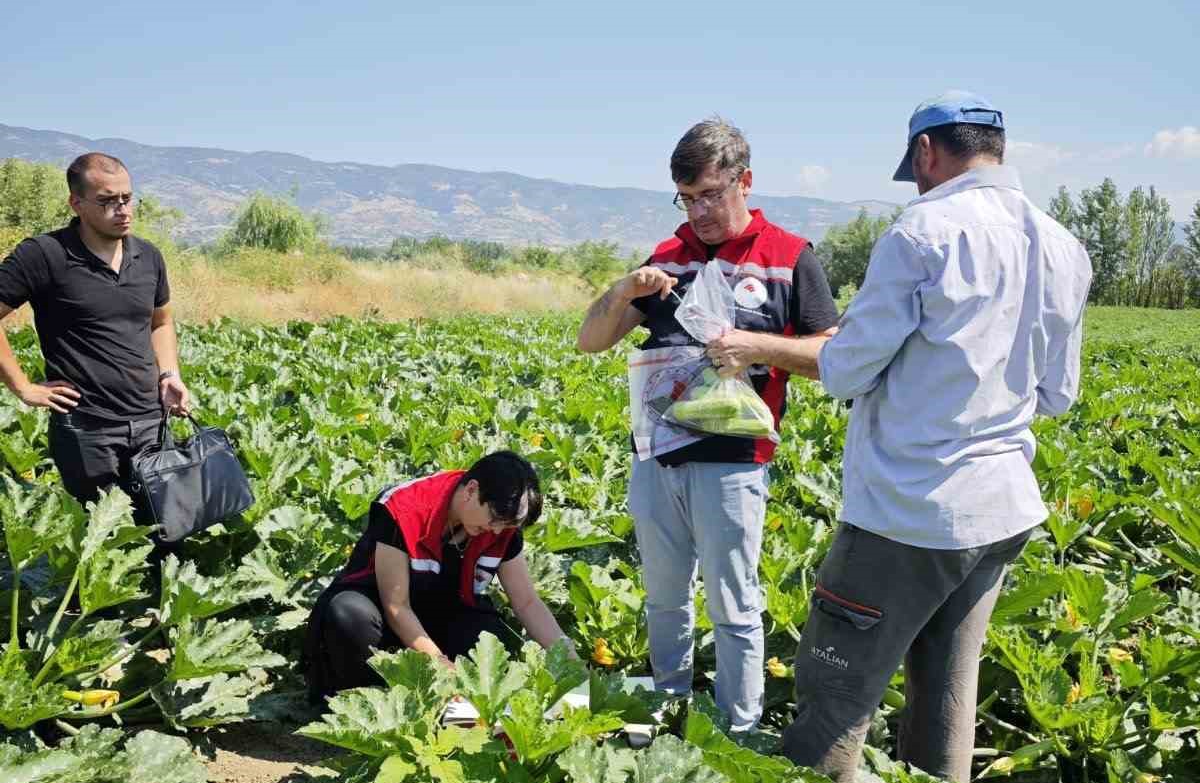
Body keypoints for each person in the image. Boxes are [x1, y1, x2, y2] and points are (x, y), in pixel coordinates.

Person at [775, 91, 1093, 783]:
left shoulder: (923, 232)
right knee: (946, 706)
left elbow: (847, 366)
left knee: (834, 694)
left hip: (908, 512)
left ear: (926, 156)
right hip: (998, 510)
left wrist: (763, 347)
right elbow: (1058, 393)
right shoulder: (1063, 245)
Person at [577, 117, 839, 733]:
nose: (699, 211)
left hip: (735, 461)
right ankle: (667, 709)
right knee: (664, 598)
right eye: (687, 198)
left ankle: (738, 728)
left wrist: (756, 346)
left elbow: (832, 358)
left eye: (711, 195)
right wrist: (623, 291)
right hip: (656, 456)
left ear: (744, 182)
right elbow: (592, 341)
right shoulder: (666, 259)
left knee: (734, 603)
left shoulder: (790, 257)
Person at [303, 449, 571, 700]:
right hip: (383, 612)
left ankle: (455, 710)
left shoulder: (502, 524)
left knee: (490, 638)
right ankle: (373, 703)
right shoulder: (403, 508)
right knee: (349, 616)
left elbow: (526, 602)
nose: (498, 531)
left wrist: (570, 660)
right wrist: (442, 666)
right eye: (494, 520)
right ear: (471, 490)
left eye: (508, 525)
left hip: (441, 610)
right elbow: (396, 606)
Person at [0, 152, 190, 505]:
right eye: (106, 201)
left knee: (165, 536)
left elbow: (160, 321)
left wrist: (169, 374)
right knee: (102, 540)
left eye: (127, 198)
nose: (122, 210)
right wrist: (23, 388)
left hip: (151, 421)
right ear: (77, 204)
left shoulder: (148, 256)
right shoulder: (44, 255)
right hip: (87, 431)